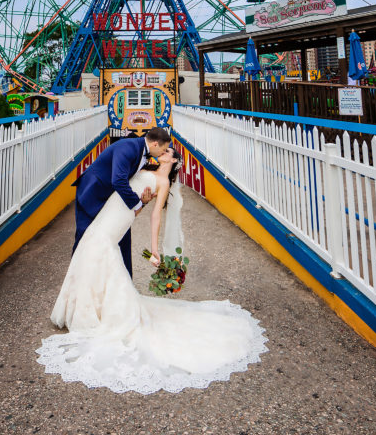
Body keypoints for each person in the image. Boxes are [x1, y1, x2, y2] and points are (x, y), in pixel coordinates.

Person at [36, 146, 267, 394]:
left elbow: (155, 216)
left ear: (175, 160)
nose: (163, 152)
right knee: (91, 249)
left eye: (168, 151)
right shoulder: (146, 166)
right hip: (112, 212)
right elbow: (129, 190)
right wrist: (140, 202)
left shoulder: (164, 182)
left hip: (121, 219)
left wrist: (154, 249)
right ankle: (90, 307)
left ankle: (102, 312)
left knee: (100, 249)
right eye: (163, 149)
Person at [72, 127, 171, 277]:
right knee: (85, 236)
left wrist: (142, 202)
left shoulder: (144, 153)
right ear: (155, 144)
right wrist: (138, 205)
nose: (163, 153)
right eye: (164, 149)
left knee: (122, 236)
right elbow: (118, 180)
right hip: (93, 193)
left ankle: (123, 283)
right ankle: (77, 278)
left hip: (114, 200)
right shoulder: (128, 147)